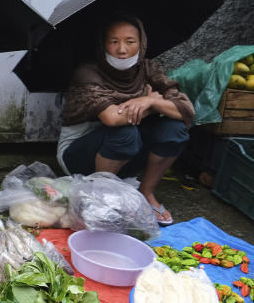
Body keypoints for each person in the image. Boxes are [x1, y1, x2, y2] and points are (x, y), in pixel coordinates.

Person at [57, 14, 194, 226]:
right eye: (114, 42)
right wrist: (148, 101)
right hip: (78, 154)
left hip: (125, 151)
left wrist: (150, 101)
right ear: (103, 44)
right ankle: (99, 197)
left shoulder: (149, 69)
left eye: (130, 41)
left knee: (175, 128)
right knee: (124, 132)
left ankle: (146, 191)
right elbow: (112, 118)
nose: (122, 50)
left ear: (142, 44)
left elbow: (186, 111)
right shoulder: (87, 72)